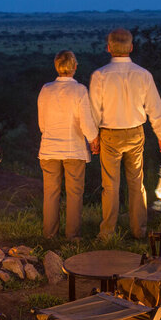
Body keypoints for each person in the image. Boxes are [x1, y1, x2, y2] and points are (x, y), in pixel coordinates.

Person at [89, 28, 161, 239]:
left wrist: (93, 137)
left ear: (109, 48)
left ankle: (107, 233)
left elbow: (94, 110)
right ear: (131, 47)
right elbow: (155, 107)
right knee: (136, 182)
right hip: (135, 133)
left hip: (109, 135)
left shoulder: (100, 75)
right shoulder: (143, 74)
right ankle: (139, 230)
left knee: (110, 185)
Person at [37, 50, 98, 239]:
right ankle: (72, 236)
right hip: (74, 149)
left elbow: (42, 124)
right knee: (74, 194)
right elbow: (86, 122)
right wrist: (93, 140)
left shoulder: (46, 89)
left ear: (56, 66)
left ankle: (49, 235)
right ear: (75, 67)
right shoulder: (79, 90)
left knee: (51, 193)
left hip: (49, 149)